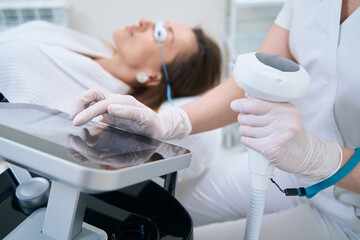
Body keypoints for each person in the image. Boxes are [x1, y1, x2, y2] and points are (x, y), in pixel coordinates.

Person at [70, 0, 360, 239]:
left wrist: (321, 158)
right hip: (290, 170)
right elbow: (251, 81)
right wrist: (171, 122)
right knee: (160, 211)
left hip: (349, 211)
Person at [0, 19, 222, 181]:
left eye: (161, 35)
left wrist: (168, 122)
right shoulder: (96, 46)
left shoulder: (93, 112)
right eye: (158, 24)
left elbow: (206, 142)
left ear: (153, 76)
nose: (145, 22)